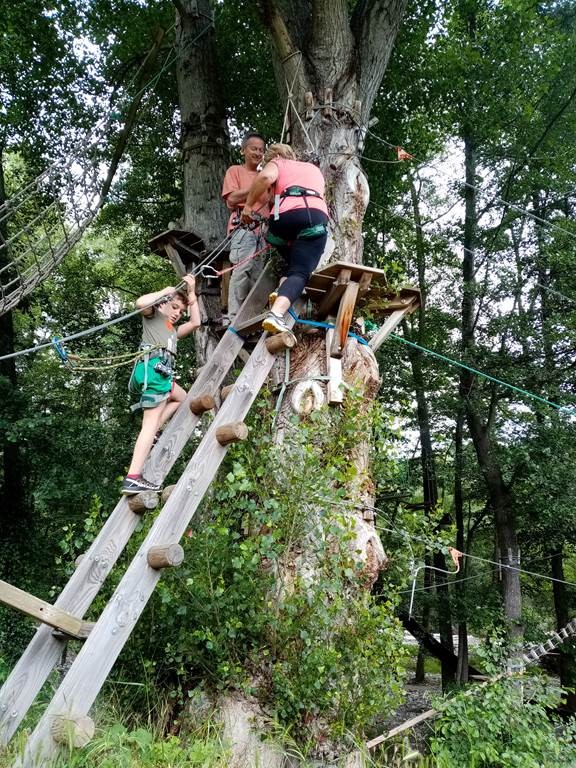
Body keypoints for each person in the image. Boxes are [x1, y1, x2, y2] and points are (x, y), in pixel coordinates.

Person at [121, 275, 200, 495]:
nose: (177, 313)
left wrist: (192, 293)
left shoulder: (172, 331)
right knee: (149, 424)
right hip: (153, 372)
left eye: (180, 311)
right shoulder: (153, 316)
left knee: (182, 397)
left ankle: (155, 431)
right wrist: (164, 291)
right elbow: (140, 303)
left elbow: (195, 323)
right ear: (163, 303)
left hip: (161, 375)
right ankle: (133, 477)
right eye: (174, 307)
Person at [240, 143, 328, 336]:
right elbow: (266, 178)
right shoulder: (313, 170)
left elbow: (265, 177)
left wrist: (248, 207)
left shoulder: (278, 163)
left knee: (292, 261)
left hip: (280, 224)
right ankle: (276, 314)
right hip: (311, 217)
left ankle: (281, 292)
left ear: (276, 156)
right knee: (301, 271)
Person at [221, 132, 270, 324]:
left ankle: (253, 317)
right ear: (243, 150)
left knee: (259, 274)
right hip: (244, 227)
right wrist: (259, 186)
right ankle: (234, 318)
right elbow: (231, 199)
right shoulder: (235, 171)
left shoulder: (266, 175)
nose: (258, 153)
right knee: (242, 271)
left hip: (264, 230)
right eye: (254, 149)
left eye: (261, 150)